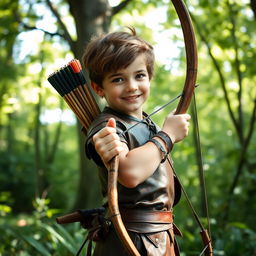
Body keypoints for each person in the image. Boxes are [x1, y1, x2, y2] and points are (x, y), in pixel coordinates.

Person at [83, 27, 190, 256]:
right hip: (130, 240)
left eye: (139, 75)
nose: (132, 86)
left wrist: (162, 133)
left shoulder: (148, 124)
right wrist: (168, 136)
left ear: (150, 77)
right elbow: (130, 173)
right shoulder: (107, 126)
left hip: (158, 236)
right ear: (99, 88)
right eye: (118, 79)